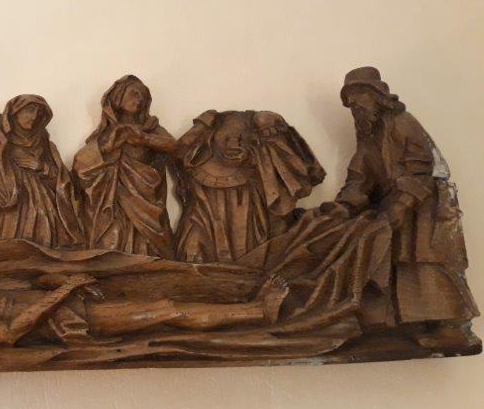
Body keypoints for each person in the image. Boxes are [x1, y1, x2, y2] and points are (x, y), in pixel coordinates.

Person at [320, 66, 479, 343]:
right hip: (396, 203)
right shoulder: (368, 136)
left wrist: (400, 206)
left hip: (425, 203)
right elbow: (360, 178)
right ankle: (405, 320)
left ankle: (451, 328)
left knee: (427, 262)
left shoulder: (403, 122)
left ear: (376, 96)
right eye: (349, 101)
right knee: (396, 261)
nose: (354, 105)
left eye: (357, 96)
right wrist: (343, 206)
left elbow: (422, 168)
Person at [175, 109, 325, 262]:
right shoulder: (203, 146)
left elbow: (291, 167)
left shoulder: (263, 140)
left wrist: (259, 144)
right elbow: (179, 149)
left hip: (250, 206)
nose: (233, 144)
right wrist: (203, 123)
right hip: (205, 203)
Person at [0, 95, 85, 248]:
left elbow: (64, 184)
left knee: (42, 243)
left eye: (39, 112)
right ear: (14, 112)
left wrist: (42, 167)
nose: (34, 116)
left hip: (42, 205)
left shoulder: (47, 146)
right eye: (30, 110)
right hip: (5, 202)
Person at [73, 75, 177, 258]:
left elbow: (175, 147)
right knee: (114, 239)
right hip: (114, 198)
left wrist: (144, 139)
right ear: (118, 97)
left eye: (143, 96)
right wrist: (108, 146)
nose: (139, 99)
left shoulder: (151, 127)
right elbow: (80, 164)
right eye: (134, 93)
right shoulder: (108, 133)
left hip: (146, 198)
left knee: (149, 249)